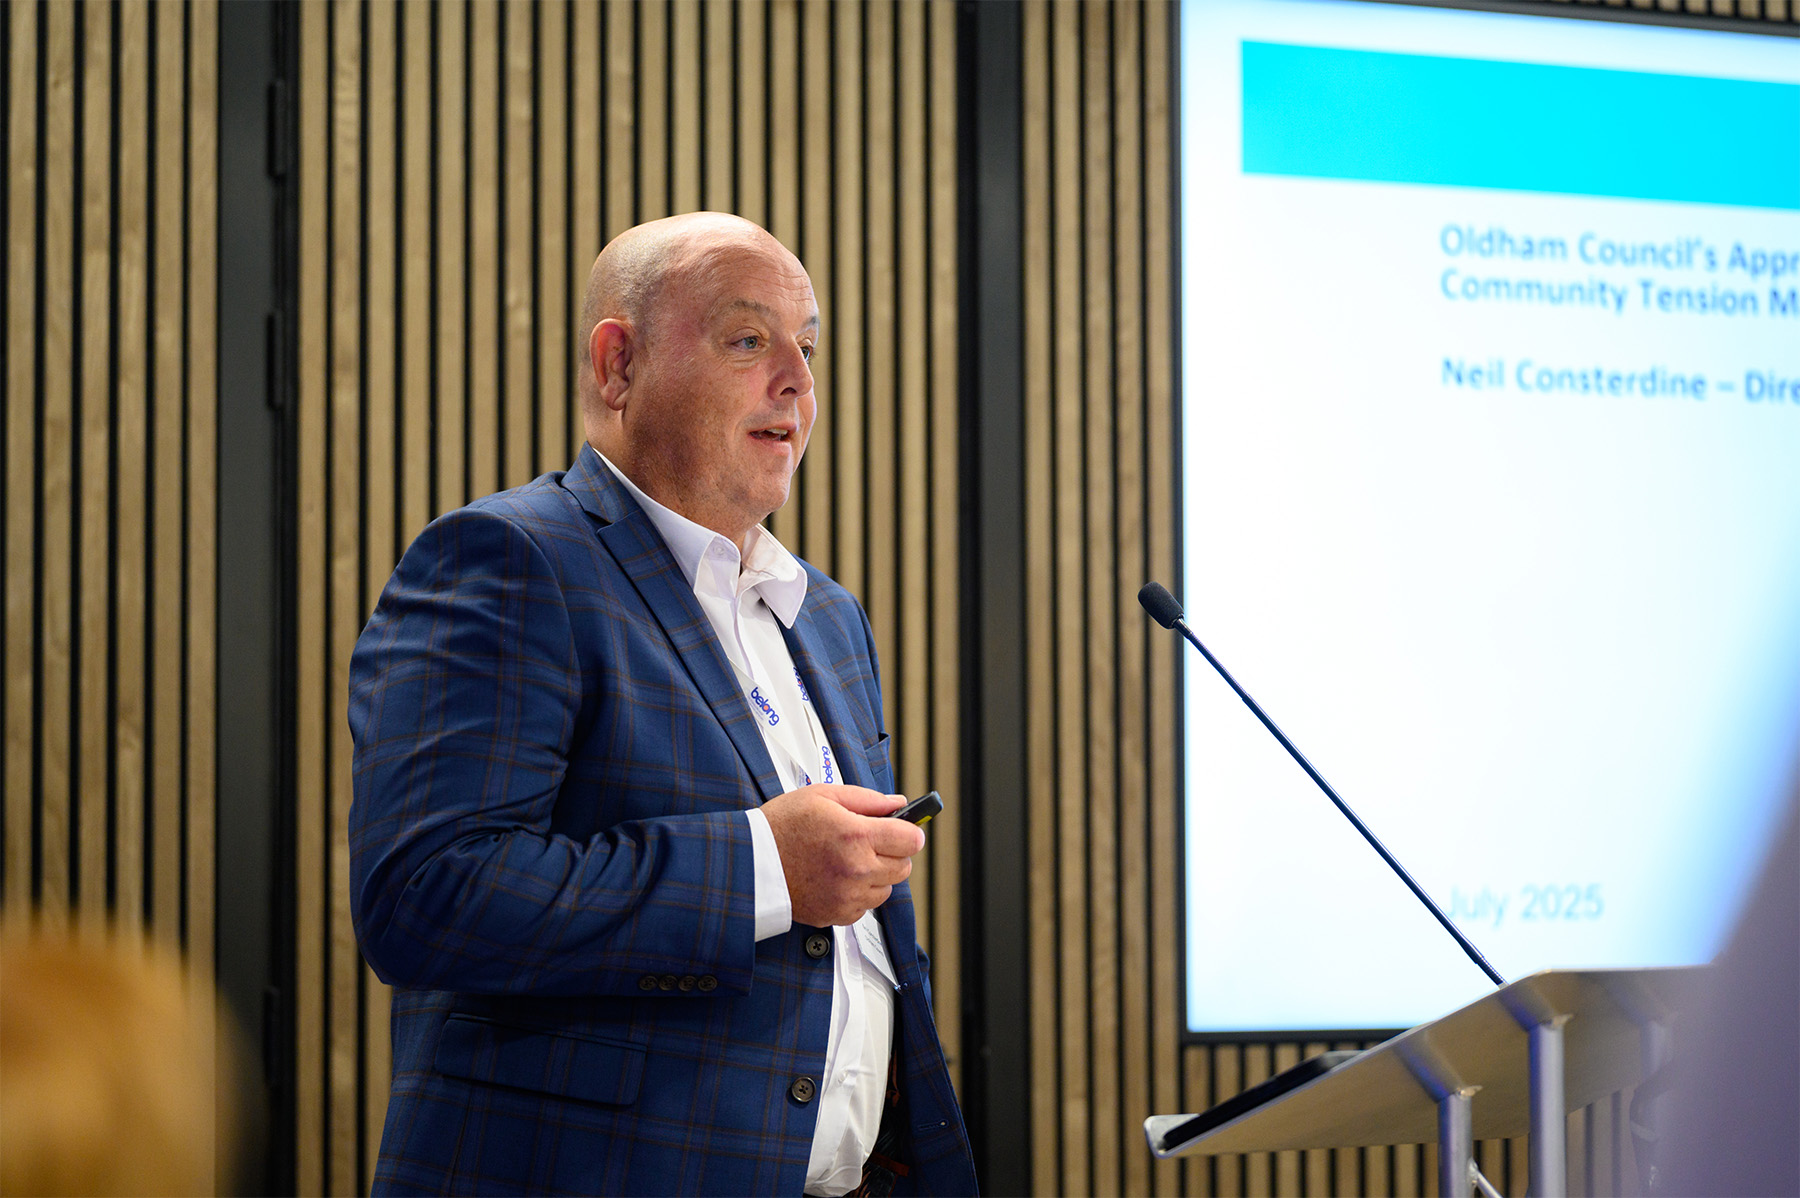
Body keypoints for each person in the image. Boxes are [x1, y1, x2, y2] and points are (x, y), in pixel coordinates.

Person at [348, 212, 977, 1196]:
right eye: (749, 340)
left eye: (808, 348)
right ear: (618, 366)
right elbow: (426, 897)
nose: (797, 382)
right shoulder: (512, 561)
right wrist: (766, 865)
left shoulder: (826, 616)